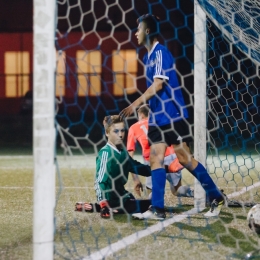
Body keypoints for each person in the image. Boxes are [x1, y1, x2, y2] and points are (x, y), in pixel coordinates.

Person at [119, 14, 224, 219]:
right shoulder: (148, 57)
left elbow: (158, 84)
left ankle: (216, 197)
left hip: (172, 115)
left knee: (185, 159)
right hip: (157, 117)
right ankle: (157, 209)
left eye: (138, 29)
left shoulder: (160, 53)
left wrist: (134, 104)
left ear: (148, 31)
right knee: (155, 160)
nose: (136, 33)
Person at [75, 115, 152, 218]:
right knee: (151, 205)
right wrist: (103, 205)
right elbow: (99, 181)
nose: (120, 135)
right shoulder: (105, 153)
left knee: (142, 203)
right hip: (111, 199)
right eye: (116, 131)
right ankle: (105, 207)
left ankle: (90, 207)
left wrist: (162, 169)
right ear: (107, 133)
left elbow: (137, 167)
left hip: (123, 196)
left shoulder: (123, 153)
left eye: (122, 131)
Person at [127, 104, 194, 198]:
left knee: (152, 192)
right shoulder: (160, 121)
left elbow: (130, 156)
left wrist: (135, 180)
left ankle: (157, 207)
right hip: (171, 158)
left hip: (153, 161)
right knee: (177, 190)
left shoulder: (133, 127)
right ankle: (196, 193)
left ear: (141, 115)